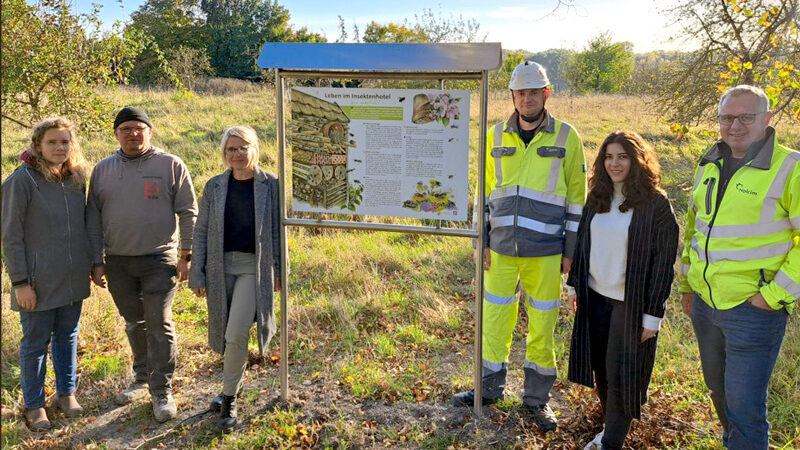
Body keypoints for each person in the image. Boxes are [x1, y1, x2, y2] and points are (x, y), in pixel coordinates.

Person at [452, 60, 587, 431]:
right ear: (512, 96)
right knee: (493, 318)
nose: (526, 98)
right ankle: (489, 390)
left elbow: (578, 200)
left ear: (546, 94)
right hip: (499, 250)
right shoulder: (495, 136)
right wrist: (481, 238)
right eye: (520, 92)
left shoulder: (566, 137)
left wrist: (571, 250)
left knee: (542, 324)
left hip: (546, 251)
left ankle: (536, 401)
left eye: (533, 92)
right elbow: (484, 192)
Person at [679, 85, 799, 449]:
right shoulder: (710, 162)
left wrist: (773, 296)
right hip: (705, 306)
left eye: (746, 117)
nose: (735, 125)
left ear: (767, 118)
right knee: (720, 395)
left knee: (745, 409)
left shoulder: (790, 167)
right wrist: (686, 285)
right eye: (727, 117)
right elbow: (694, 227)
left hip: (753, 311)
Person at [565, 131, 679, 449]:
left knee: (622, 373)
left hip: (629, 304)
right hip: (595, 298)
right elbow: (583, 246)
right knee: (601, 366)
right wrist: (574, 287)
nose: (615, 163)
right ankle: (609, 427)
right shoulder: (598, 198)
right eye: (609, 157)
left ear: (637, 159)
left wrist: (652, 316)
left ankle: (611, 440)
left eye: (623, 156)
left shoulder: (655, 205)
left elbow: (662, 266)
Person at [86, 106, 197, 422]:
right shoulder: (103, 170)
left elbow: (188, 211)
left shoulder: (170, 165)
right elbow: (92, 216)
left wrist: (186, 255)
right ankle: (142, 376)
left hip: (159, 260)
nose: (133, 134)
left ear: (150, 131)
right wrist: (97, 260)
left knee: (158, 322)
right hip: (118, 261)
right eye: (126, 129)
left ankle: (161, 390)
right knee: (134, 321)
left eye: (139, 128)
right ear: (116, 134)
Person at [189, 126, 281, 432]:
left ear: (256, 148)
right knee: (226, 333)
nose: (237, 154)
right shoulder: (214, 186)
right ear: (223, 153)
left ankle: (228, 400)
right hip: (219, 266)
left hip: (253, 267)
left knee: (236, 332)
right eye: (231, 149)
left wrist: (278, 271)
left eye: (243, 148)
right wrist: (197, 270)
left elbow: (279, 234)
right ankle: (234, 383)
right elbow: (201, 230)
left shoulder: (271, 185)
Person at [2, 117, 92, 430]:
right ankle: (35, 404)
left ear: (72, 145)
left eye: (64, 142)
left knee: (68, 337)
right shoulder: (22, 180)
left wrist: (93, 263)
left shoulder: (76, 178)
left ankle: (66, 394)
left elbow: (85, 226)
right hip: (36, 283)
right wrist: (20, 283)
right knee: (35, 343)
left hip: (72, 278)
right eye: (52, 142)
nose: (59, 148)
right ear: (38, 145)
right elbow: (11, 237)